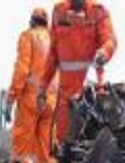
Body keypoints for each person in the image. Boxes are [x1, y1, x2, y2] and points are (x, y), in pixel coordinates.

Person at [39, 0, 116, 146]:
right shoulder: (59, 11)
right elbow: (53, 55)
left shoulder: (98, 11)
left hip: (91, 95)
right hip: (66, 97)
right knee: (64, 144)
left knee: (93, 143)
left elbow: (110, 39)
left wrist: (104, 52)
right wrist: (42, 87)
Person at [5, 8, 56, 163]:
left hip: (31, 99)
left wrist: (11, 98)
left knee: (22, 150)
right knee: (45, 151)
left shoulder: (28, 36)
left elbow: (22, 71)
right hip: (51, 102)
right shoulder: (54, 41)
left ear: (32, 22)